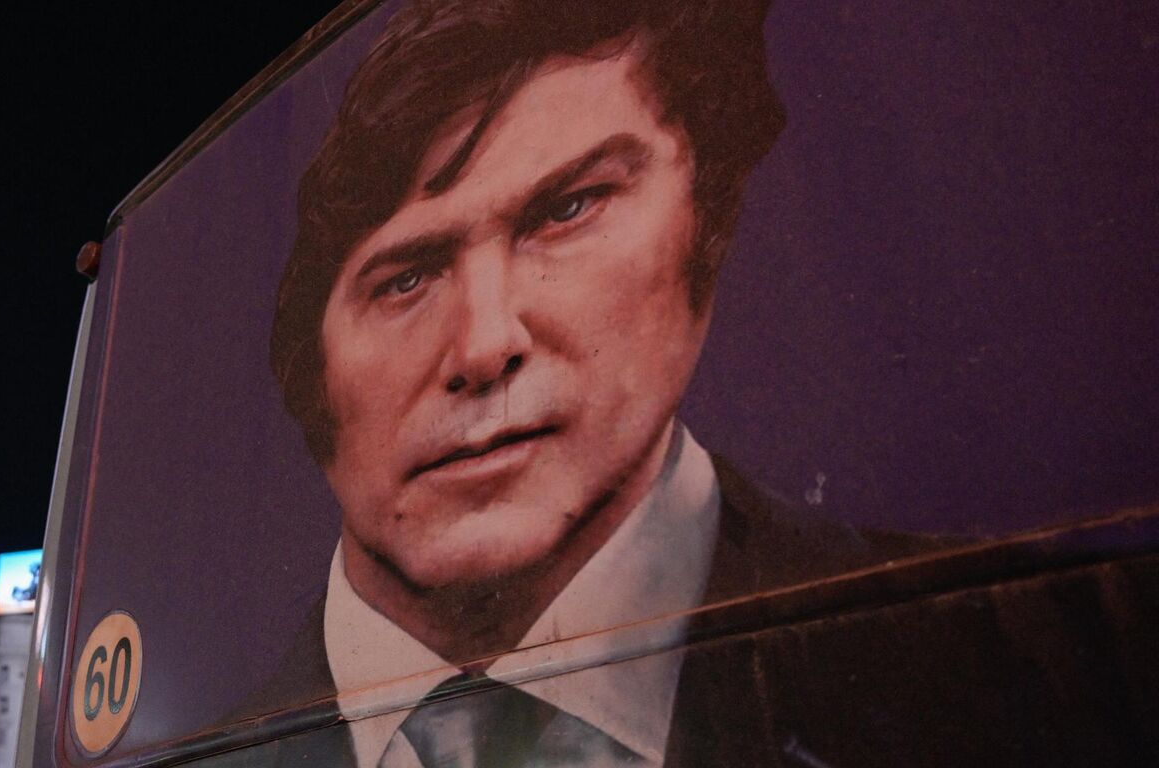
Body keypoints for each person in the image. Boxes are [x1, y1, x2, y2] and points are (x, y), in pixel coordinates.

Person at [224, 0, 953, 764]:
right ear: (309, 371)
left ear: (708, 221)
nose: (484, 344)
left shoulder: (1029, 665)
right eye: (406, 278)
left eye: (566, 210)